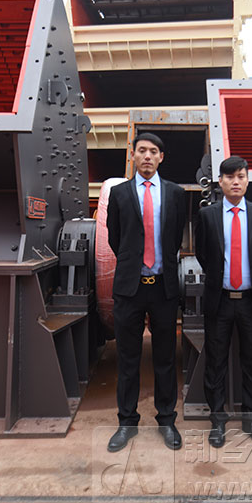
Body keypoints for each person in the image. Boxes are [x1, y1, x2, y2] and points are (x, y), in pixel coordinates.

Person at [105, 132, 187, 452]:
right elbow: (115, 238)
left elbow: (175, 238)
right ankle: (127, 422)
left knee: (165, 358)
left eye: (154, 151)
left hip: (163, 288)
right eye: (142, 151)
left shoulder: (175, 193)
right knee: (128, 358)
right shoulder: (120, 194)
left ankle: (166, 420)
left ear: (161, 157)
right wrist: (133, 263)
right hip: (130, 288)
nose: (148, 156)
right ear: (133, 155)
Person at [195, 156, 252, 448]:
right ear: (220, 182)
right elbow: (203, 254)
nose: (235, 182)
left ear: (247, 180)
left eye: (240, 176)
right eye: (229, 177)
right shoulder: (207, 215)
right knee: (215, 363)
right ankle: (218, 420)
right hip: (220, 301)